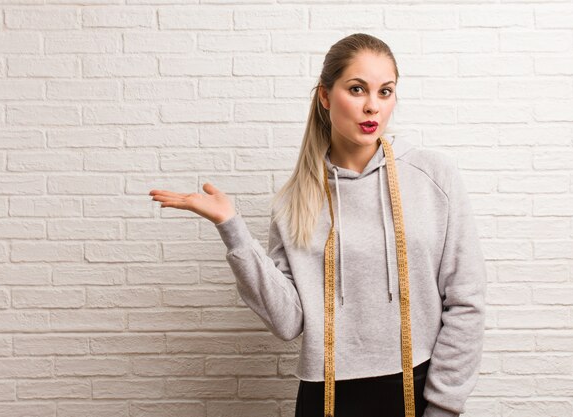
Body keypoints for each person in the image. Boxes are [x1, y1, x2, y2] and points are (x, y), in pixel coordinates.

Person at [149, 33, 487, 417]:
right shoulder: (296, 201)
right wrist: (232, 228)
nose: (372, 106)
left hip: (417, 388)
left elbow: (466, 300)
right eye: (357, 89)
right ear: (325, 96)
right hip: (324, 396)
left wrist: (444, 406)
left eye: (385, 91)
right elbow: (287, 321)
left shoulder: (432, 177)